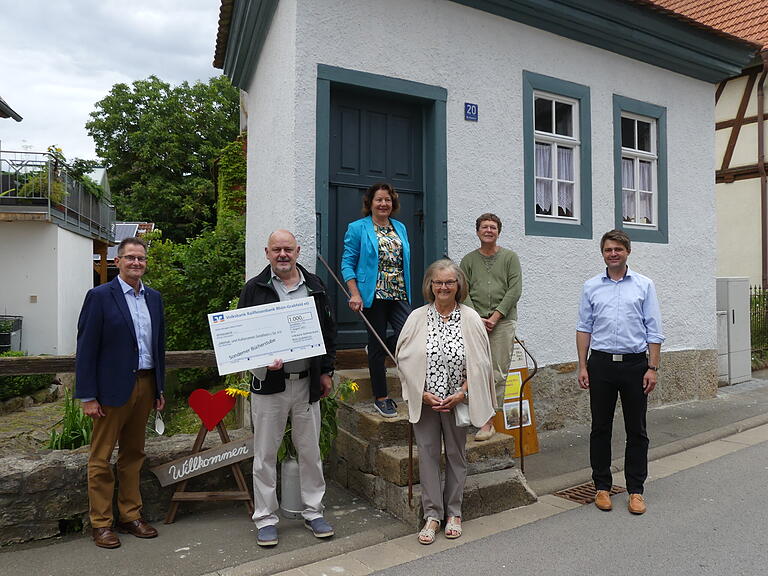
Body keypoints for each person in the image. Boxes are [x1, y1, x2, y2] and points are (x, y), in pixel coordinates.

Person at [238, 229, 337, 547]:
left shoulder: (316, 287)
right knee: (265, 454)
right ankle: (266, 518)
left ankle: (313, 511)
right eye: (277, 249)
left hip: (307, 383)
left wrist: (327, 371)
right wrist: (263, 361)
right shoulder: (254, 289)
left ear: (298, 251)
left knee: (310, 451)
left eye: (288, 249)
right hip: (270, 386)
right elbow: (243, 336)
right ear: (266, 252)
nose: (283, 254)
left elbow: (328, 333)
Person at [75, 236, 166, 549]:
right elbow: (86, 349)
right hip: (110, 390)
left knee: (134, 455)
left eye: (141, 258)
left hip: (145, 384)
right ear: (117, 261)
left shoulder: (154, 298)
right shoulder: (100, 296)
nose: (136, 263)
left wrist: (160, 388)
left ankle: (131, 515)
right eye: (130, 258)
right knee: (100, 459)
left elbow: (159, 348)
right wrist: (87, 396)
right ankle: (101, 524)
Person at [396, 259, 495, 544]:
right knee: (427, 456)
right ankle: (432, 515)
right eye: (438, 282)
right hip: (426, 400)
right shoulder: (416, 317)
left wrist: (463, 392)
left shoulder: (471, 317)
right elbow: (402, 358)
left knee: (455, 454)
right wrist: (421, 391)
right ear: (430, 285)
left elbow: (481, 362)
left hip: (456, 400)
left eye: (449, 282)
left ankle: (454, 512)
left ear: (458, 285)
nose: (443, 287)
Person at [576, 229, 664, 515]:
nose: (613, 253)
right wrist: (582, 365)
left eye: (618, 249)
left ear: (627, 251)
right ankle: (602, 487)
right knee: (600, 427)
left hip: (635, 365)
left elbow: (654, 328)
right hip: (600, 363)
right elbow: (584, 327)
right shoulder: (591, 286)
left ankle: (636, 490)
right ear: (602, 253)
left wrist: (652, 367)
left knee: (636, 429)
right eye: (608, 250)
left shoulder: (644, 285)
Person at [341, 182, 412, 418]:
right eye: (379, 200)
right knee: (378, 345)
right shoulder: (358, 228)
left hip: (399, 292)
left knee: (410, 335)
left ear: (393, 204)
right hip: (373, 293)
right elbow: (347, 263)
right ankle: (381, 397)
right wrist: (354, 293)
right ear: (370, 203)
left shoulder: (399, 227)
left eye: (388, 200)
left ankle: (375, 345)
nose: (384, 204)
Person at [460, 213, 522, 441]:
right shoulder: (468, 260)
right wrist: (477, 318)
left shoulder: (510, 258)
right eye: (484, 227)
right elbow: (462, 290)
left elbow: (515, 290)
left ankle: (489, 422)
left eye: (493, 227)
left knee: (497, 372)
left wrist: (495, 317)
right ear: (477, 232)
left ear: (498, 232)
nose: (488, 230)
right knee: (475, 369)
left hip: (503, 322)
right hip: (474, 322)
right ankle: (474, 415)